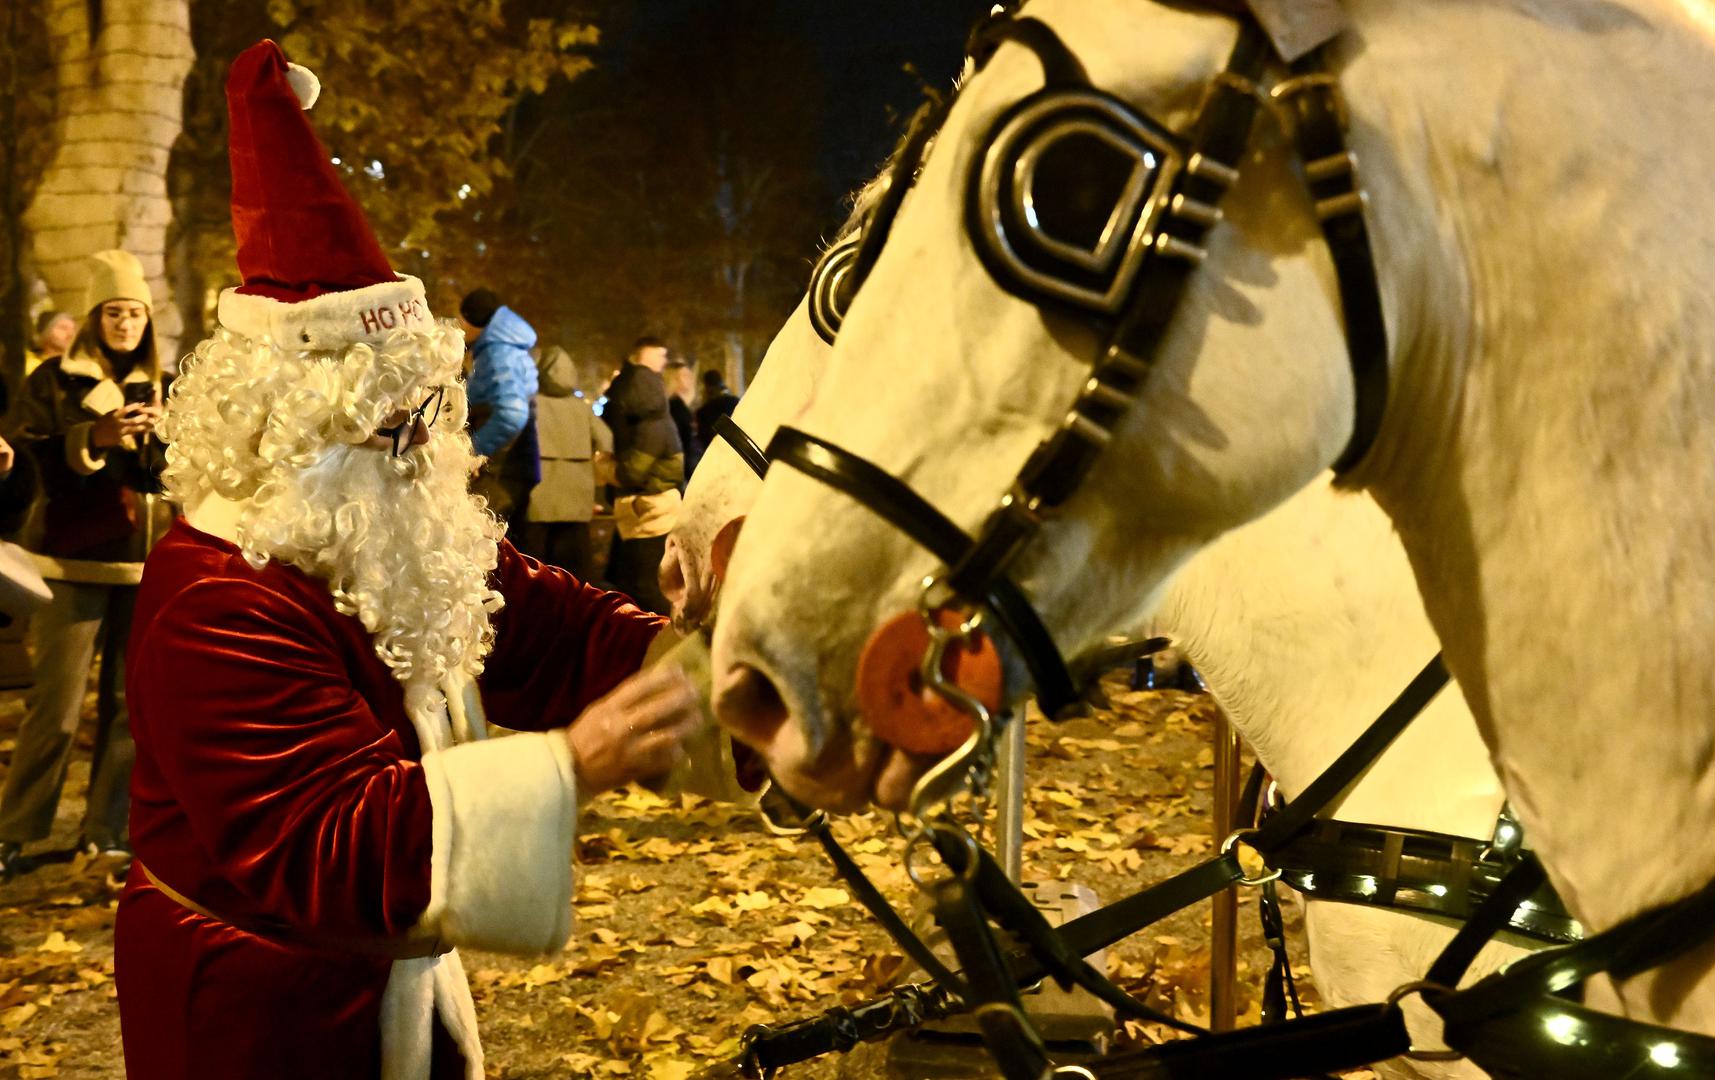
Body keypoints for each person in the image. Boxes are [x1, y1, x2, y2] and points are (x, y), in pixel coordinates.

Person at [116, 42, 703, 1079]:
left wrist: (716, 660)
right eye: (394, 428)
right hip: (259, 1013)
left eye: (429, 417)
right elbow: (327, 844)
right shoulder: (215, 595)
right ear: (285, 427)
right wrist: (572, 767)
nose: (424, 453)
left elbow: (542, 621)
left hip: (377, 979)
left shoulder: (383, 517)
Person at [0, 250, 164, 879]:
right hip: (71, 562)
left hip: (143, 565)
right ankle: (17, 830)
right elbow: (29, 456)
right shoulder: (52, 382)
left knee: (129, 706)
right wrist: (91, 440)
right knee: (57, 707)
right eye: (115, 313)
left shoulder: (164, 384)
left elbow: (173, 475)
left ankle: (108, 830)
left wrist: (161, 440)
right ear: (96, 317)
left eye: (135, 314)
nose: (126, 325)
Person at [602, 337, 683, 613]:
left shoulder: (651, 427)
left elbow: (632, 472)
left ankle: (661, 641)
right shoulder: (653, 422)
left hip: (651, 512)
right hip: (646, 512)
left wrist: (603, 467)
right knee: (634, 584)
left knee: (648, 587)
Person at [518, 345, 610, 581]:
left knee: (536, 568)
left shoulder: (531, 403)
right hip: (577, 497)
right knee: (574, 571)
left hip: (540, 494)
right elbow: (607, 441)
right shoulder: (582, 408)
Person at [457, 288, 539, 523]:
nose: (460, 327)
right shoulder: (502, 349)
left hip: (503, 470)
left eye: (462, 319)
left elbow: (511, 414)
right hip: (513, 465)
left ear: (475, 321)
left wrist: (471, 452)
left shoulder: (498, 353)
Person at [693, 369, 740, 463]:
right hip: (738, 452)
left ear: (706, 386)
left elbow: (702, 439)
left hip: (715, 457)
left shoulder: (702, 412)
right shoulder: (736, 402)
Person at [665, 358, 699, 482]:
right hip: (681, 473)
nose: (690, 378)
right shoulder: (675, 408)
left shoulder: (679, 406)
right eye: (684, 375)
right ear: (673, 379)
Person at [24, 311, 76, 378]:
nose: (71, 334)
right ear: (45, 332)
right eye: (63, 328)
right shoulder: (28, 366)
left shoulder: (78, 367)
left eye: (73, 329)